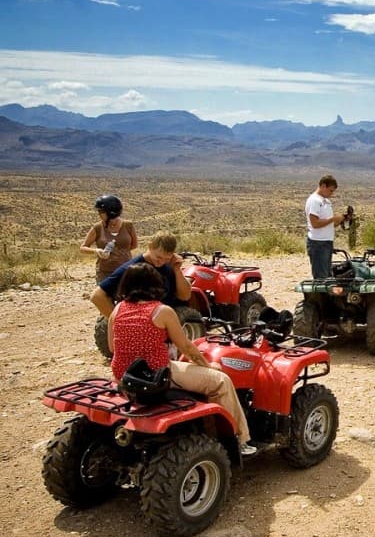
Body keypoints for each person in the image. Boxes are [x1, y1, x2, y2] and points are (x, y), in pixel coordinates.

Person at [108, 263, 256, 456]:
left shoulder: (117, 309)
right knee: (221, 381)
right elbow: (186, 346)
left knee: (185, 367)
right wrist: (208, 365)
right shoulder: (162, 311)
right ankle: (240, 439)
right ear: (155, 284)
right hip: (156, 375)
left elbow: (112, 347)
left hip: (123, 375)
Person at [90, 231, 192, 320]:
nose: (161, 262)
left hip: (166, 318)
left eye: (166, 259)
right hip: (143, 323)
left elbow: (185, 296)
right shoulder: (131, 268)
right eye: (158, 257)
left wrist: (177, 270)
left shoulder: (170, 265)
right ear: (150, 246)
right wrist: (118, 322)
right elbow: (97, 296)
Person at [79, 194, 138, 282]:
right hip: (105, 273)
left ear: (111, 212)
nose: (98, 213)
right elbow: (82, 248)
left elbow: (134, 245)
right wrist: (97, 251)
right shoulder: (97, 228)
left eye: (101, 211)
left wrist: (120, 253)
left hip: (126, 271)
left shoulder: (128, 225)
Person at [305, 175, 353, 279]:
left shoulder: (326, 201)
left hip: (326, 242)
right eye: (330, 191)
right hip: (318, 243)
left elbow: (330, 224)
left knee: (327, 275)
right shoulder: (314, 201)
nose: (331, 194)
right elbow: (315, 223)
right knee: (321, 277)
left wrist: (341, 219)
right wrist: (332, 219)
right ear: (323, 186)